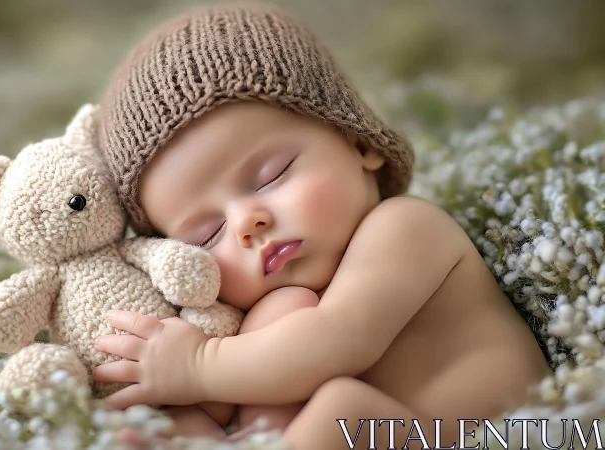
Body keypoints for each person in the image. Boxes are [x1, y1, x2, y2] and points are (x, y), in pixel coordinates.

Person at [89, 3, 551, 448]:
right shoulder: (276, 312)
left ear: (359, 143)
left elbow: (336, 340)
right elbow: (250, 376)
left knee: (338, 408)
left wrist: (198, 364)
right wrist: (175, 408)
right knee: (277, 321)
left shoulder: (406, 228)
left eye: (272, 175)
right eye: (206, 236)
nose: (248, 224)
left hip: (491, 426)